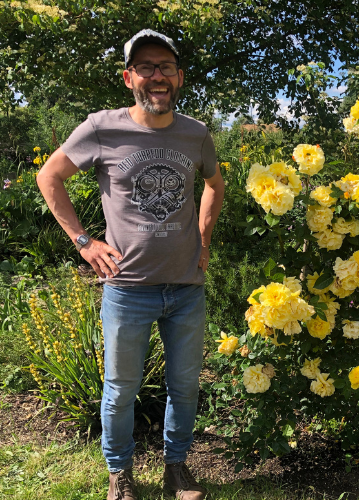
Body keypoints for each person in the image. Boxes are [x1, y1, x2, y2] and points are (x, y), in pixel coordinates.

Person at [37, 29, 225, 500]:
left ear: (179, 78)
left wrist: (203, 241)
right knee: (120, 391)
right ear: (129, 77)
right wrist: (84, 242)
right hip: (127, 289)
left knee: (184, 389)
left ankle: (176, 470)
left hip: (186, 287)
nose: (156, 76)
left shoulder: (195, 133)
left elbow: (215, 185)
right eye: (146, 67)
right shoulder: (102, 127)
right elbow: (49, 177)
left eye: (165, 67)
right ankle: (120, 475)